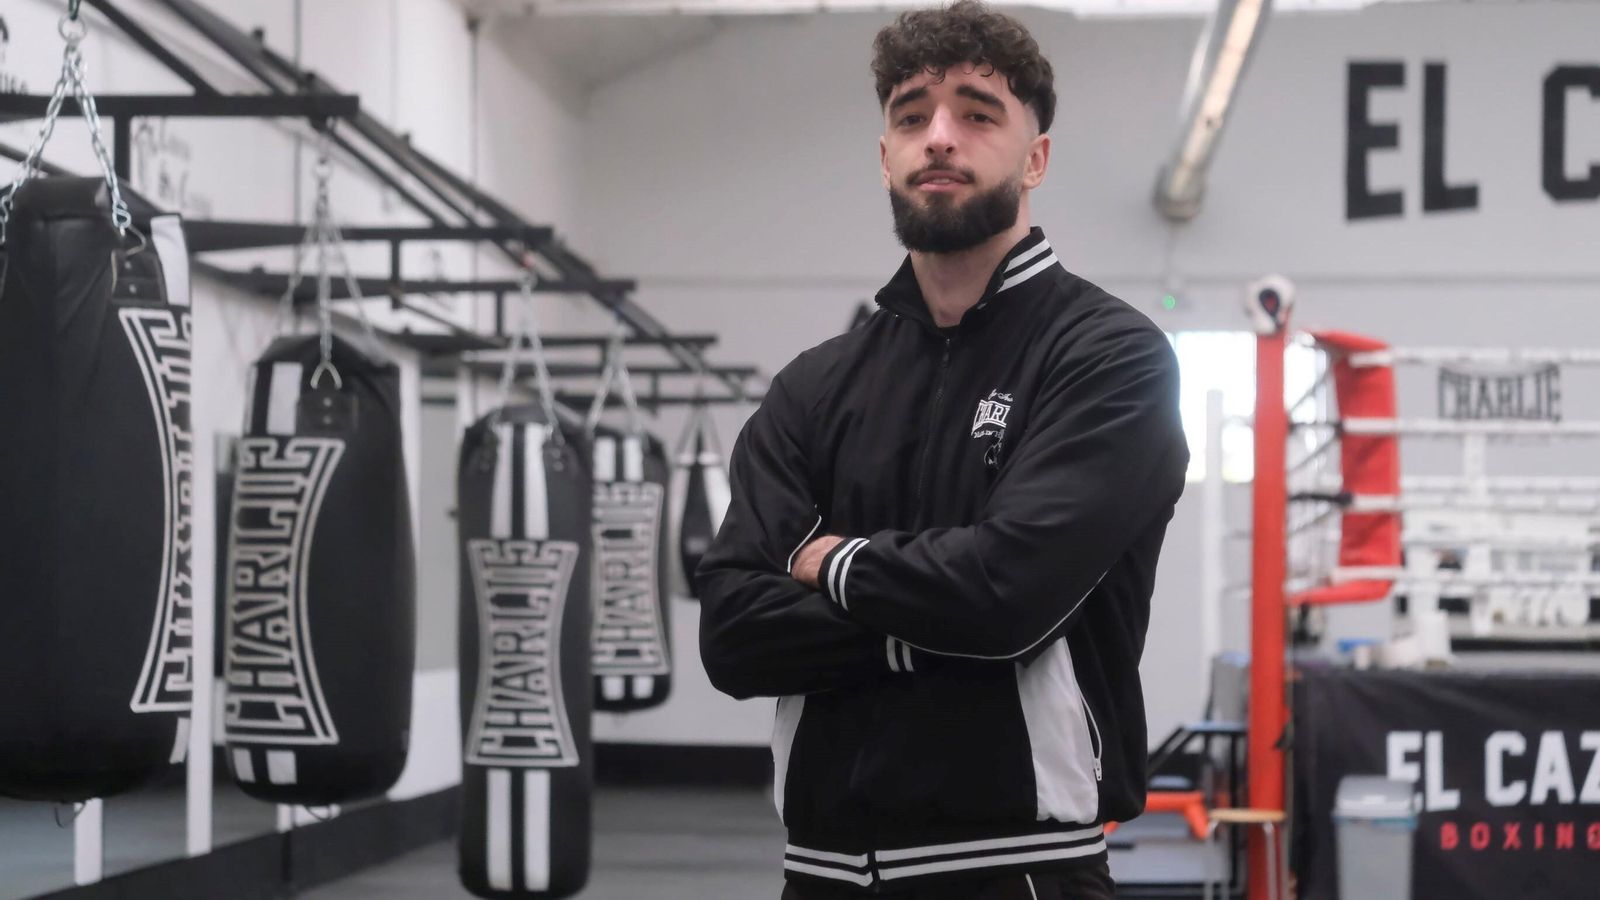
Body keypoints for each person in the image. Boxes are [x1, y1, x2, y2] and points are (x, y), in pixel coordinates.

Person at [696, 3, 1189, 897]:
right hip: (819, 875)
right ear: (884, 153)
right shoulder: (815, 385)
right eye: (911, 114)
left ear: (1035, 157)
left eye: (977, 112)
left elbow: (1004, 592)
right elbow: (732, 634)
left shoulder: (1112, 356)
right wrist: (924, 622)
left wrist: (829, 561)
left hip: (1020, 872)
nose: (940, 137)